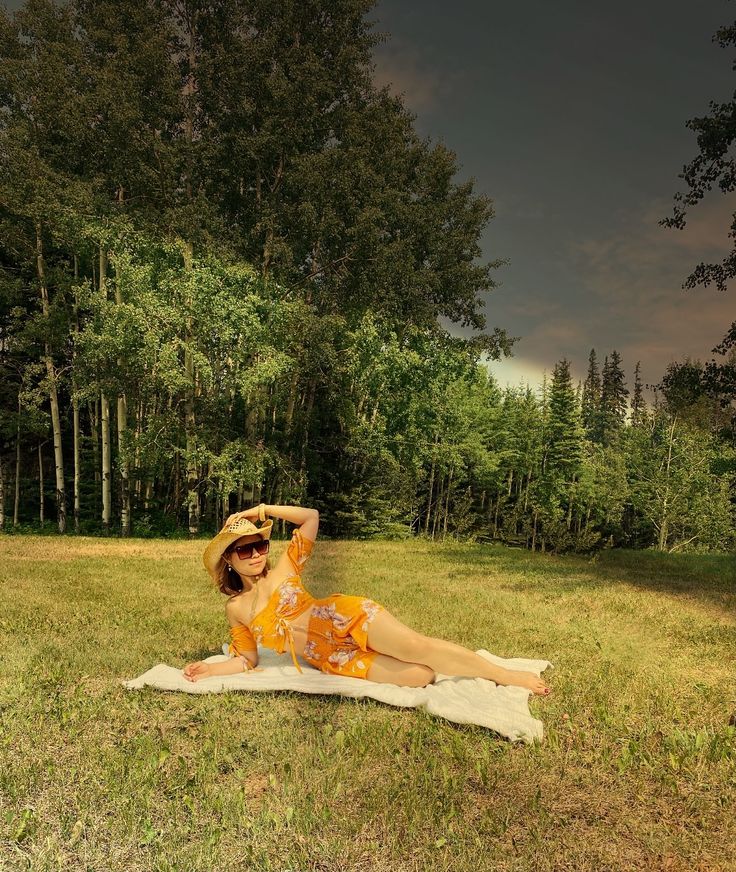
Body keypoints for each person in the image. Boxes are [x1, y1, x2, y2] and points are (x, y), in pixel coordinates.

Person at [183, 503, 550, 695]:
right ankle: (449, 662)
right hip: (331, 657)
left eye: (259, 545)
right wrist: (211, 668)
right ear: (228, 559)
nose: (255, 555)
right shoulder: (236, 610)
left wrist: (261, 511)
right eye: (243, 551)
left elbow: (310, 518)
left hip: (343, 617)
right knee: (420, 676)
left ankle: (504, 675)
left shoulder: (285, 570)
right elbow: (246, 659)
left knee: (415, 646)